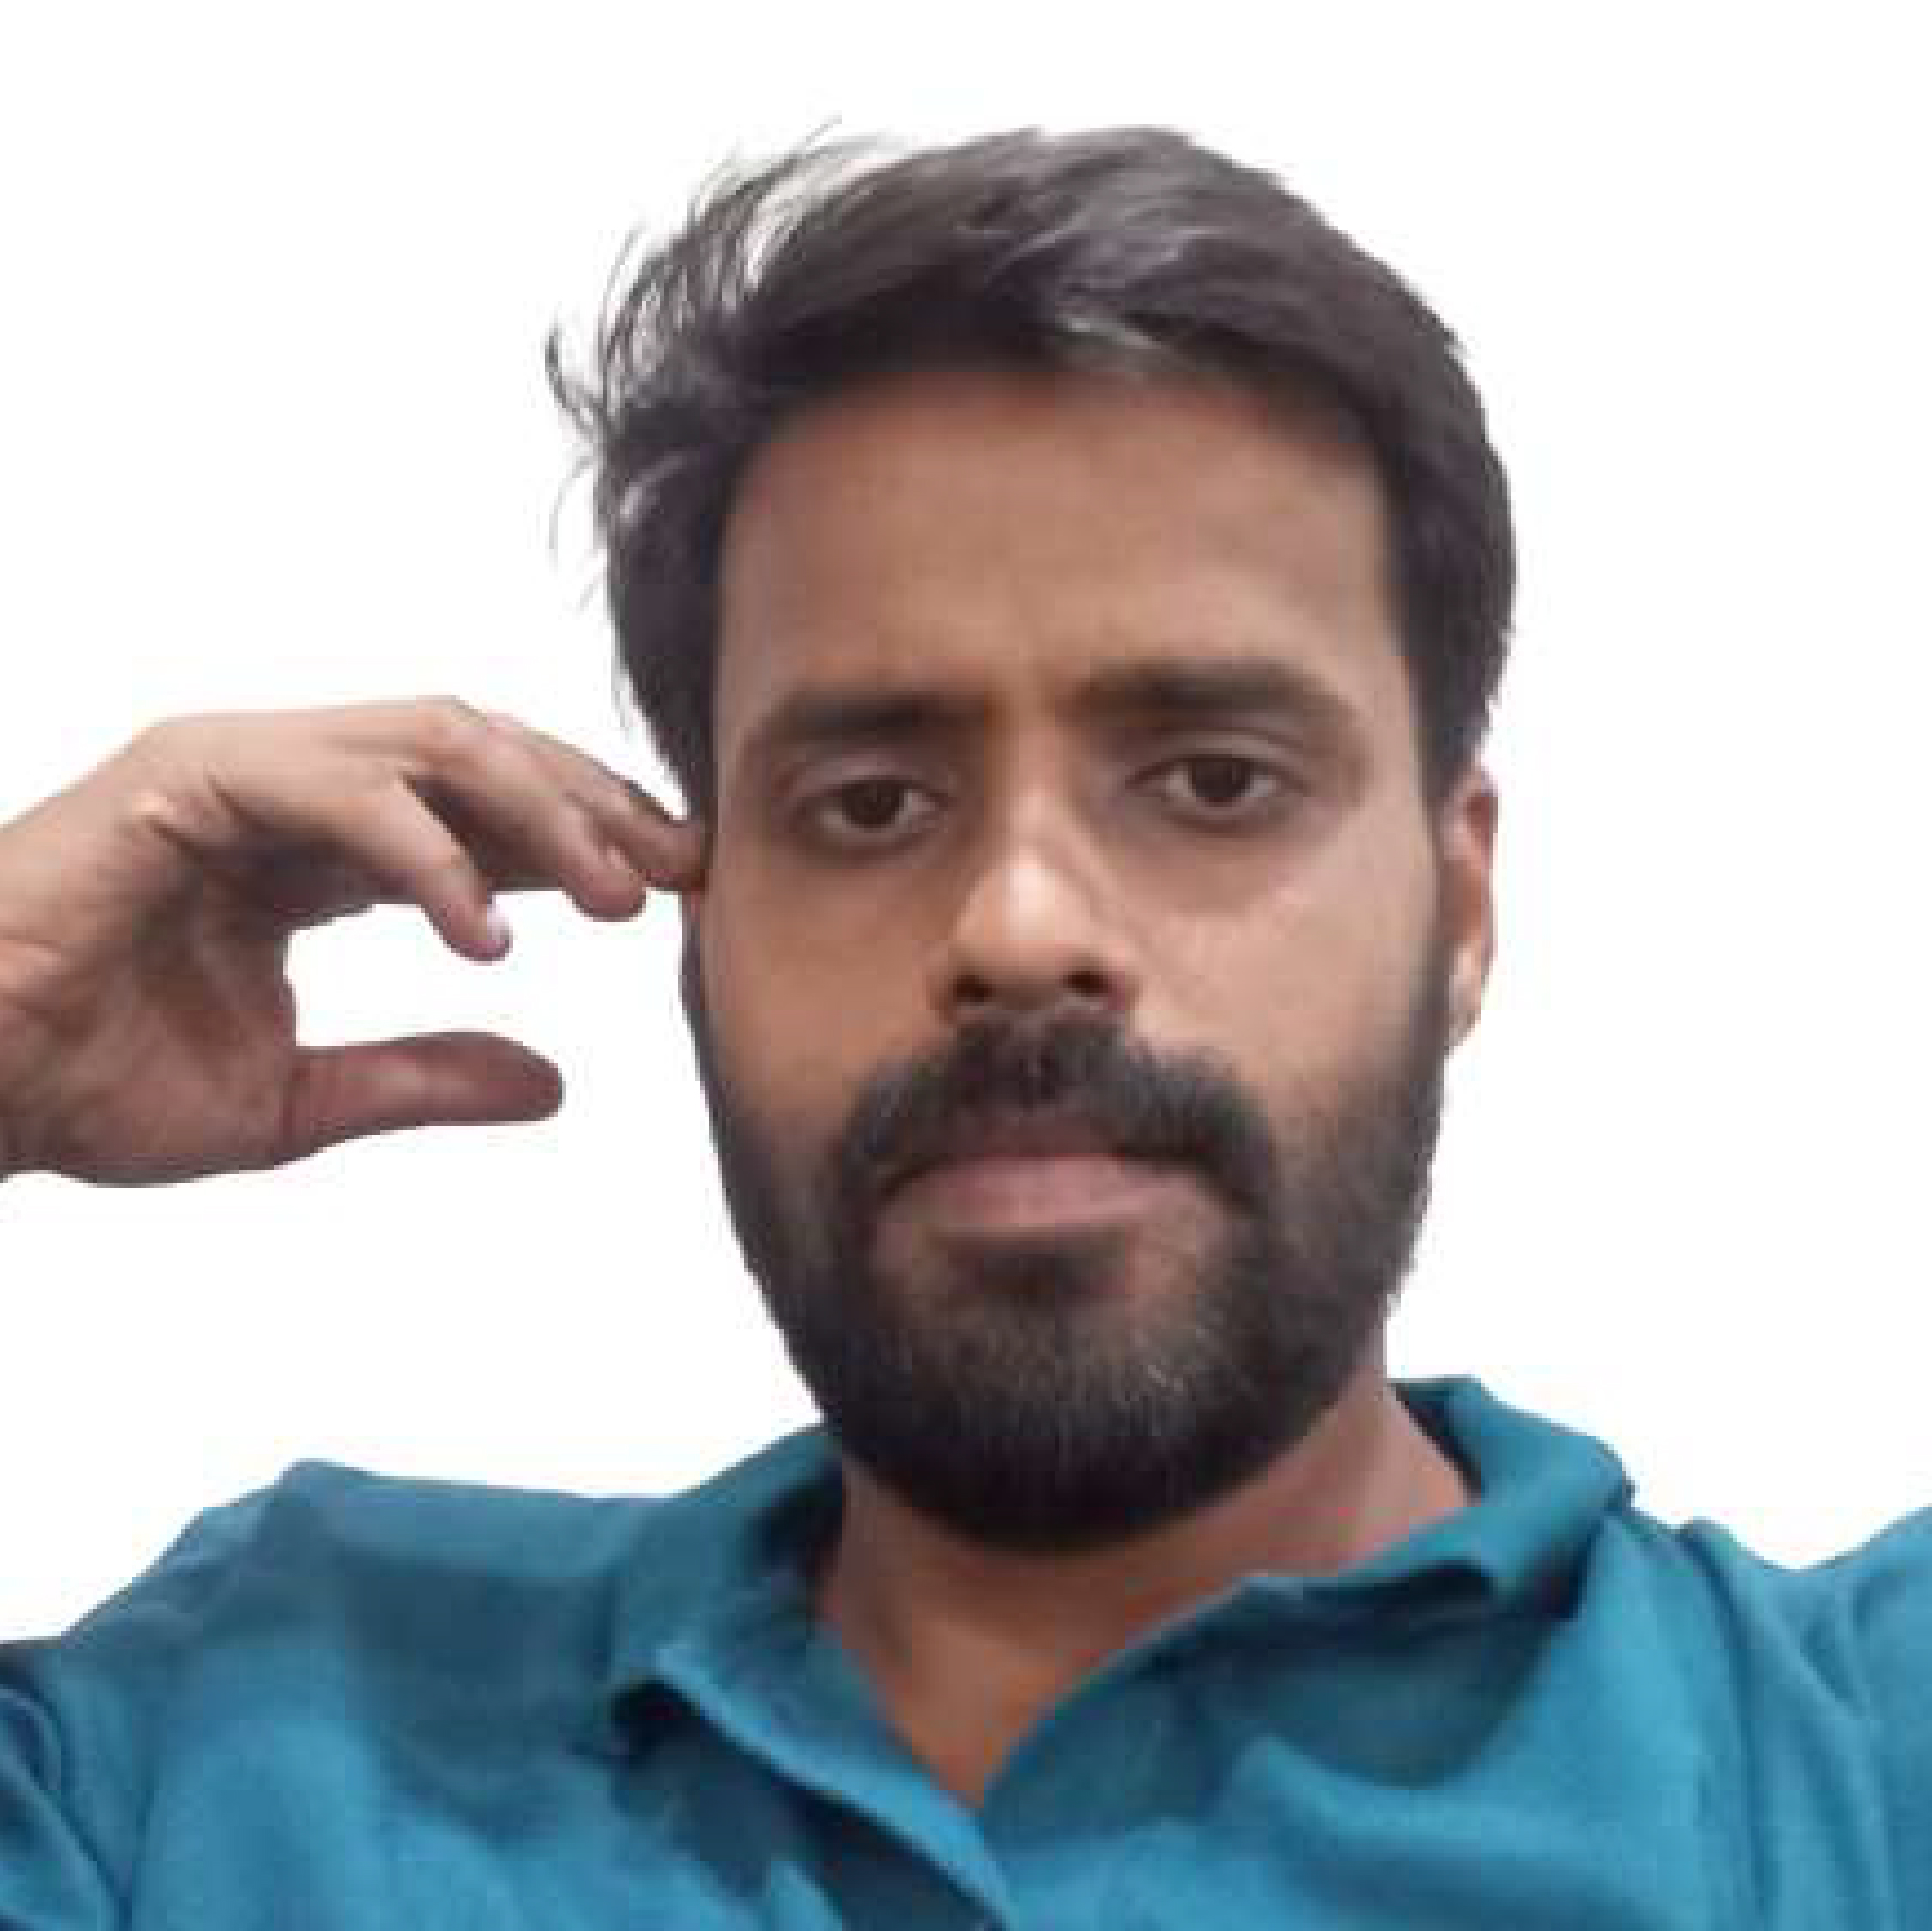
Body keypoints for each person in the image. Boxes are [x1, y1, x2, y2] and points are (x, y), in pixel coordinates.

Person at [0, 124, 1925, 1928]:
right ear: (695, 927)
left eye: (1215, 780)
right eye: (869, 805)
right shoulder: (233, 1744)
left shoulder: (1853, 1761)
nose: (1018, 927)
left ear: (1461, 909)